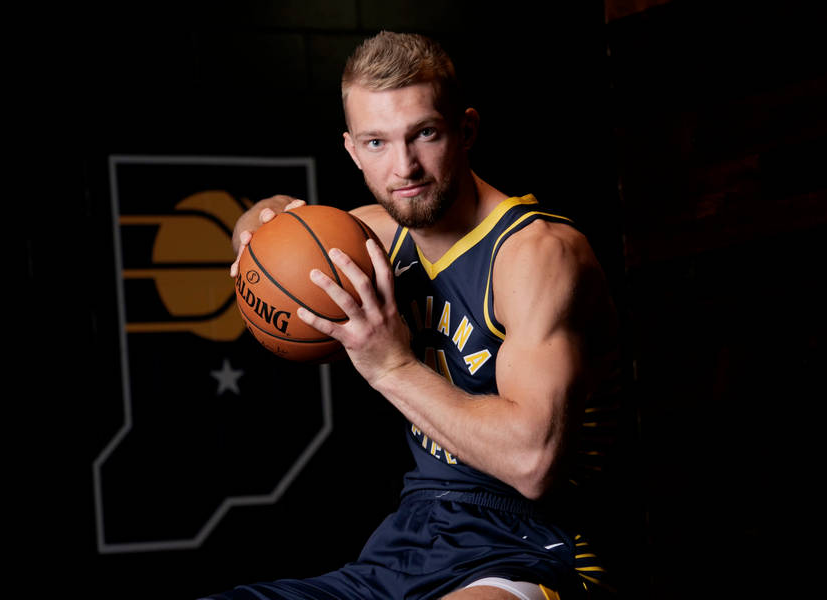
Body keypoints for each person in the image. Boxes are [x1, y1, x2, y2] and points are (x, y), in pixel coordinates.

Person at [205, 31, 618, 600]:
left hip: (535, 545)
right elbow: (270, 227)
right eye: (376, 143)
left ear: (466, 130)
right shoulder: (381, 234)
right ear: (352, 149)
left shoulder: (534, 255)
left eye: (424, 133)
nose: (404, 167)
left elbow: (533, 462)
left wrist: (389, 367)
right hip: (413, 537)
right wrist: (258, 228)